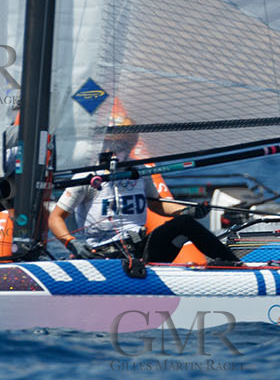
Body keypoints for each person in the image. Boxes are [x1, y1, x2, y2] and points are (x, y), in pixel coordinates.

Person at [47, 104, 239, 268]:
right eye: (116, 144)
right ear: (103, 143)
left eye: (126, 144)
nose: (121, 150)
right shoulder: (87, 177)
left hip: (142, 250)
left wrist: (188, 211)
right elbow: (55, 218)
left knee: (184, 224)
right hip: (104, 255)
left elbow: (156, 205)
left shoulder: (139, 172)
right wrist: (72, 244)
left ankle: (232, 264)